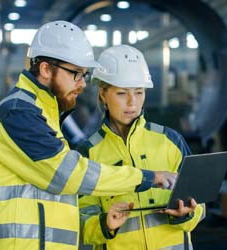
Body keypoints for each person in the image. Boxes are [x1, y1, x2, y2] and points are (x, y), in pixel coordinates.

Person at [0, 21, 176, 250]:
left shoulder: (44, 113)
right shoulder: (19, 112)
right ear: (46, 69)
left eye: (84, 76)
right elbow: (67, 174)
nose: (81, 85)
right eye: (76, 74)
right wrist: (146, 177)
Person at [78, 45, 205, 250]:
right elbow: (82, 222)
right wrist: (105, 224)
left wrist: (187, 214)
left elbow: (200, 203)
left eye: (139, 92)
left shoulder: (171, 141)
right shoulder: (88, 154)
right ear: (103, 94)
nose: (132, 103)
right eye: (121, 93)